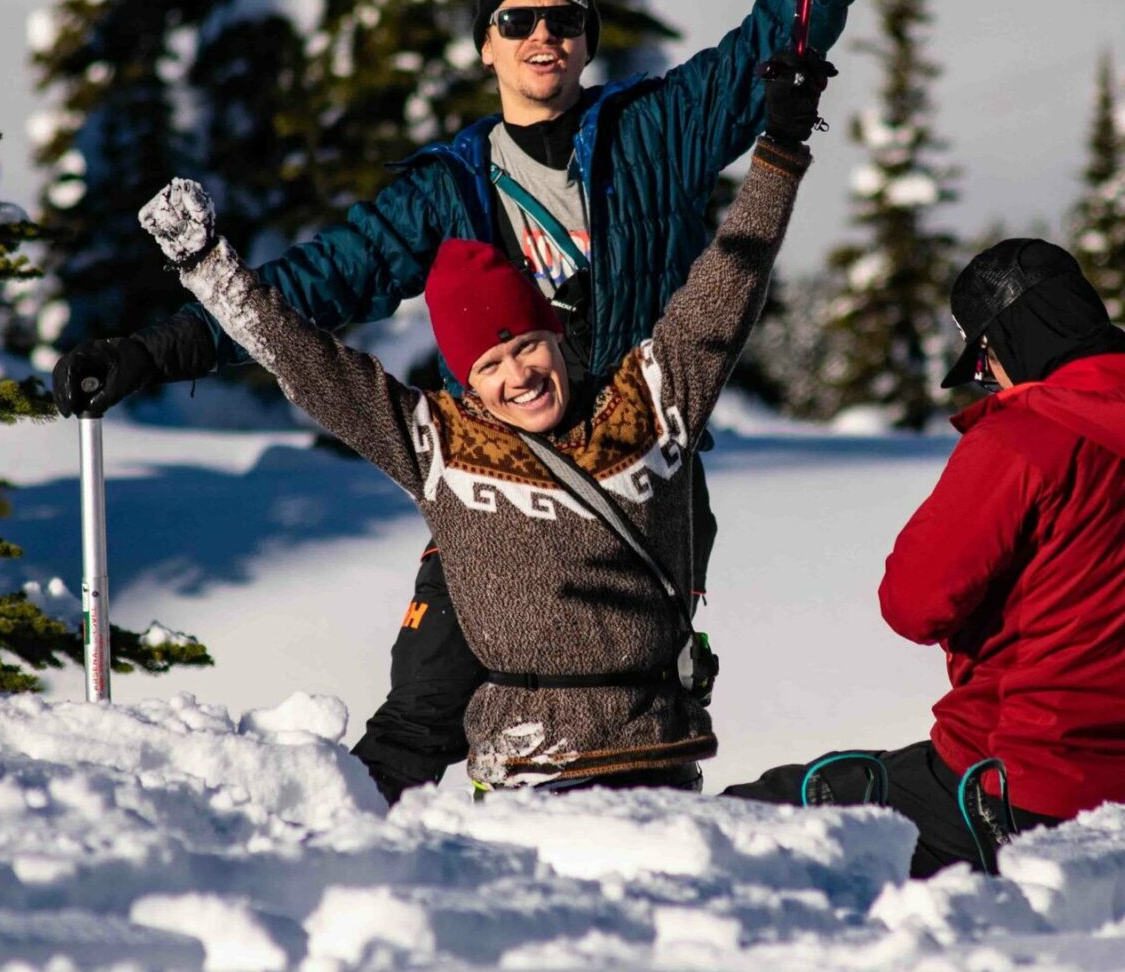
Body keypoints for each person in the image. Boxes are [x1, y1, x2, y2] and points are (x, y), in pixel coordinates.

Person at [51, 0, 922, 803]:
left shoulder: (649, 133)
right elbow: (311, 293)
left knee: (620, 708)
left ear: (585, 40)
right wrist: (159, 350)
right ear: (485, 45)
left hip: (629, 477)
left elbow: (771, 46)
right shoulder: (448, 191)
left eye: (562, 17)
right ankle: (367, 877)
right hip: (495, 482)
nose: (542, 35)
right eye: (517, 19)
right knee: (422, 707)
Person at [136, 51, 832, 791]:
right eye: (491, 366)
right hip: (526, 778)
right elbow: (310, 364)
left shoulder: (650, 400)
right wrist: (209, 269)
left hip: (651, 764)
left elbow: (730, 278)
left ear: (556, 336)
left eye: (527, 345)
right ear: (466, 382)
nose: (519, 375)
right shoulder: (439, 440)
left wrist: (780, 155)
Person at [724, 239, 1125, 876]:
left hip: (998, 790)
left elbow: (912, 605)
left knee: (746, 820)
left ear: (1009, 340)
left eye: (983, 360)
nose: (988, 379)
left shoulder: (1022, 440)